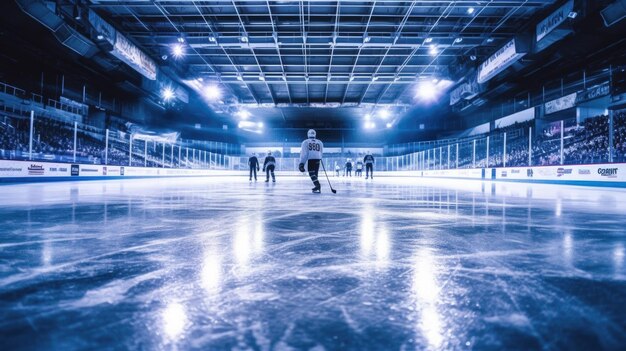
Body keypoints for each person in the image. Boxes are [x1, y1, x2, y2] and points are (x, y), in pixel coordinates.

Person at [299, 129, 323, 193]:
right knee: (315, 174)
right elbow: (321, 151)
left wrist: (301, 163)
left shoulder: (305, 142)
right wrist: (320, 157)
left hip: (311, 158)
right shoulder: (320, 142)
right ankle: (317, 186)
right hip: (318, 159)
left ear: (308, 134)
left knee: (311, 172)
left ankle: (318, 185)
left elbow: (304, 153)